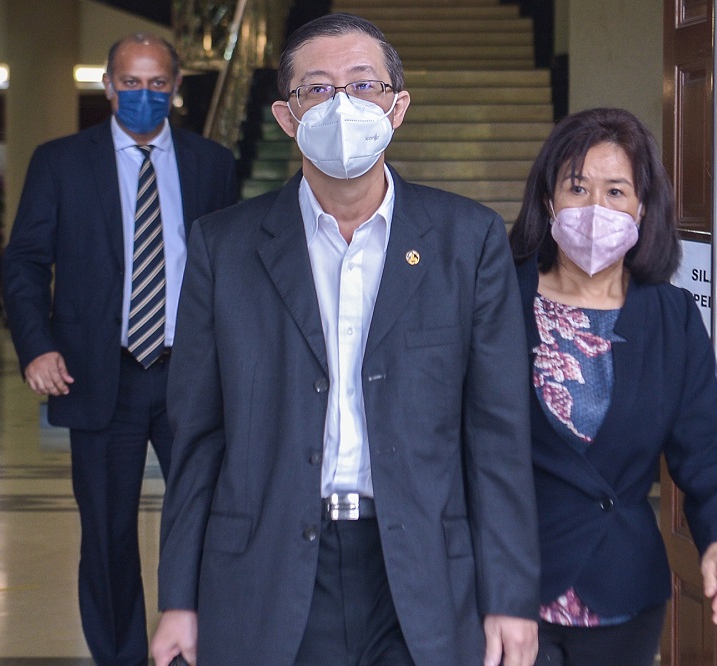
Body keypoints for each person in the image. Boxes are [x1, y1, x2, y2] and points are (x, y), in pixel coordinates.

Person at [150, 12, 540, 666]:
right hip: (266, 567)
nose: (343, 105)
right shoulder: (225, 247)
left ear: (398, 106)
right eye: (319, 89)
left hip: (419, 571)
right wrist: (178, 600)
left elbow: (498, 433)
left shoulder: (466, 242)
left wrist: (510, 596)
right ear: (284, 115)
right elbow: (197, 435)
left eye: (363, 86)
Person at [2, 33, 238, 665]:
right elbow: (24, 262)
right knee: (106, 535)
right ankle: (124, 656)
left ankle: (196, 647)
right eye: (129, 84)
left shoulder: (212, 165)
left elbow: (236, 272)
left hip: (190, 372)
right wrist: (36, 347)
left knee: (208, 522)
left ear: (177, 87)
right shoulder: (60, 162)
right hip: (98, 374)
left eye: (156, 84)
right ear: (107, 86)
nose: (143, 95)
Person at [507, 108, 717, 666]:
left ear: (642, 207)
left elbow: (705, 451)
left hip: (625, 592)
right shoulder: (498, 297)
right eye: (577, 188)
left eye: (616, 191)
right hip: (509, 592)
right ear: (549, 201)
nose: (596, 209)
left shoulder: (672, 316)